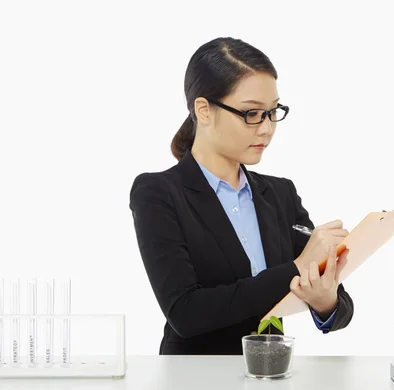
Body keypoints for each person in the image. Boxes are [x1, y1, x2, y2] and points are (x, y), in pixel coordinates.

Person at [129, 37, 354, 355]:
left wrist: (324, 299)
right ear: (204, 110)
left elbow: (341, 309)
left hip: (271, 374)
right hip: (193, 379)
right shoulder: (158, 193)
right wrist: (297, 267)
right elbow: (185, 313)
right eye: (252, 113)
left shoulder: (280, 194)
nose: (266, 129)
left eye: (273, 112)